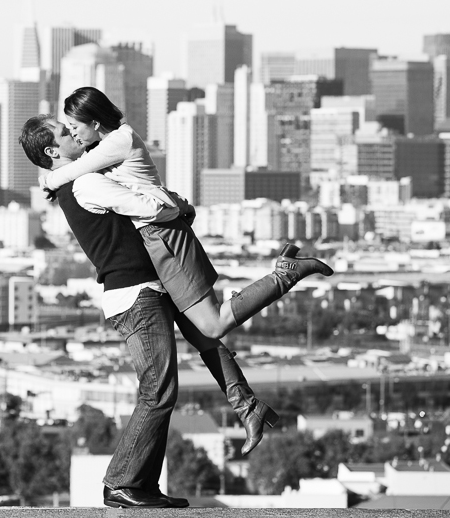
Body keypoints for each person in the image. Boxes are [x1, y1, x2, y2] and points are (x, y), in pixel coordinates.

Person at [39, 88, 333, 445]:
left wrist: (50, 180)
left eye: (73, 126)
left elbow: (81, 175)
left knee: (214, 323)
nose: (72, 133)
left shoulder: (116, 141)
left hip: (164, 236)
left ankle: (286, 272)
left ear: (95, 123)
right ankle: (248, 406)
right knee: (203, 336)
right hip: (157, 241)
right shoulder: (104, 148)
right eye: (66, 129)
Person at [20, 114, 188, 508]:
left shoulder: (75, 181)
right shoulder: (85, 181)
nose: (75, 132)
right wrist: (177, 207)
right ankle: (122, 482)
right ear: (52, 150)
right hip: (136, 293)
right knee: (158, 391)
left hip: (135, 293)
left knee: (162, 391)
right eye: (66, 132)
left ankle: (142, 485)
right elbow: (147, 207)